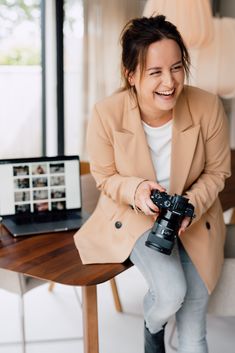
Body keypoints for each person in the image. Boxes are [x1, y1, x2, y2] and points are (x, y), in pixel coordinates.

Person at [74, 15, 231, 353]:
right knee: (171, 292)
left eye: (176, 68)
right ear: (131, 75)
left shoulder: (208, 107)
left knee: (194, 321)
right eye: (155, 72)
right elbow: (104, 176)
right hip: (136, 216)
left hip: (194, 218)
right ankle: (152, 325)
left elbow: (218, 172)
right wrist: (136, 190)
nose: (170, 82)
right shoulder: (106, 113)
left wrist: (191, 204)